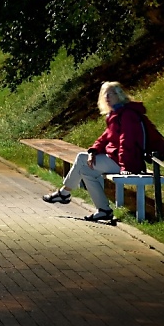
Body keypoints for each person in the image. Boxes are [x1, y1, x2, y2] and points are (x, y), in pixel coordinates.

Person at [42, 81, 147, 221]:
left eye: (111, 94)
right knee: (86, 171)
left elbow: (127, 142)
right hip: (117, 159)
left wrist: (125, 167)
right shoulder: (115, 114)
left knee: (81, 158)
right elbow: (104, 138)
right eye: (105, 94)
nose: (107, 97)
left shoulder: (127, 115)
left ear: (119, 95)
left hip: (128, 162)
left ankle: (64, 193)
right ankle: (104, 210)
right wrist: (93, 152)